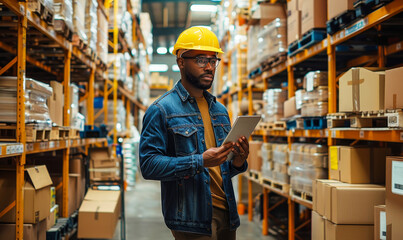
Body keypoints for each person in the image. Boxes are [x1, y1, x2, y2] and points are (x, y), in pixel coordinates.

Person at [139, 26, 249, 240]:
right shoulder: (161, 110)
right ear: (181, 61)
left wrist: (237, 161)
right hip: (191, 218)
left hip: (227, 214)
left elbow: (221, 171)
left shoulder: (220, 111)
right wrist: (199, 161)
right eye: (201, 60)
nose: (209, 67)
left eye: (213, 60)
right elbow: (149, 165)